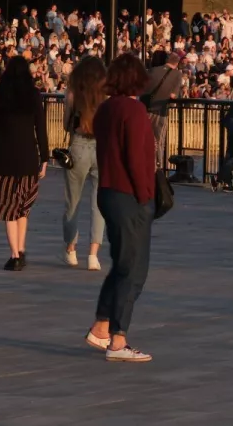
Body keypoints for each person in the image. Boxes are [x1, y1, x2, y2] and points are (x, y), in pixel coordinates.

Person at [85, 53, 157, 363]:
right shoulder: (135, 111)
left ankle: (102, 326)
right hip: (130, 196)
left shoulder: (105, 109)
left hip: (108, 191)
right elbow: (137, 158)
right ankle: (118, 338)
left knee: (120, 263)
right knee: (134, 268)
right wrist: (146, 196)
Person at [0, 56, 50, 270]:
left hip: (3, 158)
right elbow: (41, 129)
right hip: (27, 157)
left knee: (8, 206)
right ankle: (22, 248)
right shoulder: (33, 96)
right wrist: (44, 158)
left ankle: (14, 254)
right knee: (23, 207)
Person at [62, 56, 107, 271]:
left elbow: (65, 125)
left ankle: (71, 249)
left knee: (73, 200)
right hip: (101, 146)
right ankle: (93, 254)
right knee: (99, 203)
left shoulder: (72, 95)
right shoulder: (104, 96)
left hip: (78, 144)